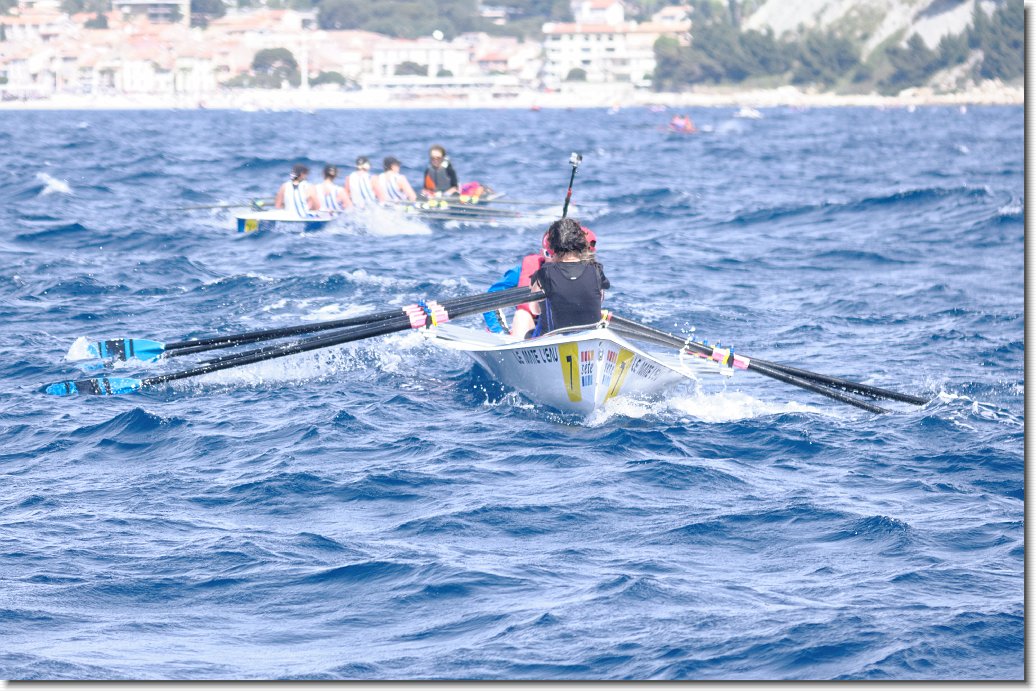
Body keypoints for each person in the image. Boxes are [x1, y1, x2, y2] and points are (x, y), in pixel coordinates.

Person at [483, 223, 598, 337]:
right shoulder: (524, 271)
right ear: (542, 253)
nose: (555, 259)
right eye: (549, 254)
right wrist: (500, 333)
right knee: (522, 315)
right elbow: (490, 299)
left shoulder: (588, 272)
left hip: (570, 326)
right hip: (535, 329)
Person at [525, 217, 609, 338]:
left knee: (528, 334)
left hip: (554, 340)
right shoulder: (597, 270)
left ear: (552, 246)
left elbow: (535, 310)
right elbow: (599, 299)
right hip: (591, 337)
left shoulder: (543, 273)